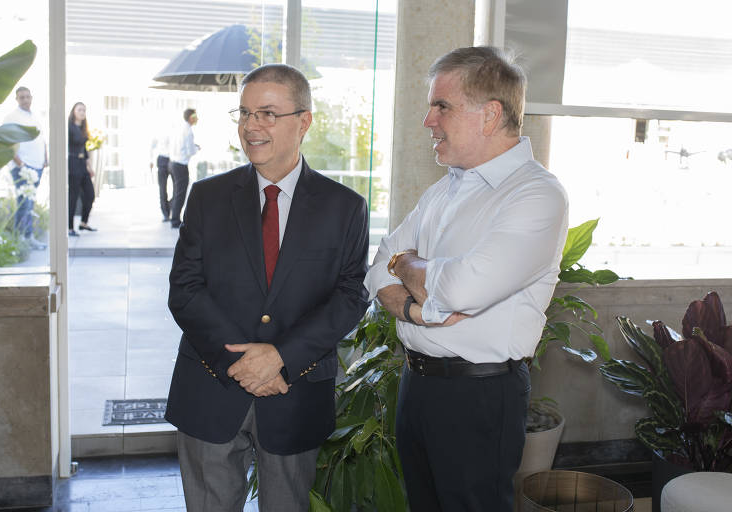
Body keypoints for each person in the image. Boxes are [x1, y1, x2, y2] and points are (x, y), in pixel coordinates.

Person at [364, 46, 569, 512]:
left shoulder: (536, 195)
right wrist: (417, 308)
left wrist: (406, 264)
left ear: (490, 115)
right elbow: (377, 267)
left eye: (442, 106)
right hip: (416, 385)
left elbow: (460, 290)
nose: (428, 121)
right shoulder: (445, 188)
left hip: (478, 395)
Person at [165, 63, 369, 511]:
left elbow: (351, 295)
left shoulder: (345, 207)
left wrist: (281, 357)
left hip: (295, 394)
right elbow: (185, 288)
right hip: (210, 389)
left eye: (268, 114)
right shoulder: (207, 197)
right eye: (244, 113)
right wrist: (240, 363)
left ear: (304, 121)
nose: (251, 126)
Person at [4, 86, 47, 250]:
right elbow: (7, 143)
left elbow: (42, 139)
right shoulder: (11, 117)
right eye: (22, 97)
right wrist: (20, 164)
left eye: (28, 96)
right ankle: (20, 240)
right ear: (16, 99)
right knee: (24, 204)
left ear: (31, 98)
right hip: (23, 167)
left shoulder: (34, 116)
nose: (25, 100)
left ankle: (28, 237)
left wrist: (45, 159)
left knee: (30, 204)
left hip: (37, 166)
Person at [68, 102, 96, 237]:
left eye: (84, 110)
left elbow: (84, 150)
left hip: (82, 164)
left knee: (90, 194)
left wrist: (89, 167)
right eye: (79, 110)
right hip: (73, 163)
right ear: (74, 111)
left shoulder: (83, 128)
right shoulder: (69, 127)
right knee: (73, 197)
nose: (82, 112)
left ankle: (83, 223)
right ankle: (70, 228)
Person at [168, 108, 199, 228]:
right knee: (180, 194)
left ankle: (172, 215)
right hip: (181, 165)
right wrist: (197, 148)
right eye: (196, 116)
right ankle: (175, 220)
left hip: (173, 163)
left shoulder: (179, 128)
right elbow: (190, 151)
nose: (197, 119)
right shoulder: (189, 131)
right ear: (191, 117)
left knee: (176, 192)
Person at [153, 132, 172, 222]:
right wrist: (151, 160)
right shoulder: (159, 131)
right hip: (162, 159)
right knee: (162, 188)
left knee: (179, 189)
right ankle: (165, 213)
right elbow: (152, 145)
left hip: (174, 159)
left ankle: (170, 206)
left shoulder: (176, 129)